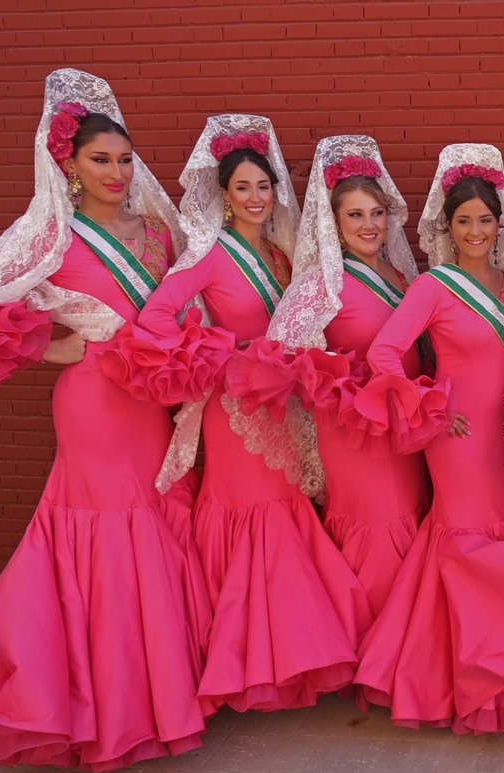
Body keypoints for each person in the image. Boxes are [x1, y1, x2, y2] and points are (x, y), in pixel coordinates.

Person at [0, 68, 207, 771]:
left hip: (152, 406)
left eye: (125, 159)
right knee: (104, 535)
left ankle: (157, 691)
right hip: (93, 406)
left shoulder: (157, 231)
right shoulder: (48, 236)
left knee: (156, 524)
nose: (115, 171)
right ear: (67, 164)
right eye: (100, 159)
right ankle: (96, 703)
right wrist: (52, 345)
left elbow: (183, 308)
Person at [342, 143, 504, 740]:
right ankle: (496, 689)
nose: (474, 231)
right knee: (473, 554)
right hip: (457, 440)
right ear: (447, 227)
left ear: (499, 223)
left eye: (484, 220)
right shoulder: (435, 285)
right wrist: (427, 407)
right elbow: (384, 353)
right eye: (462, 221)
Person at [116, 119, 371, 713]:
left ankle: (284, 653)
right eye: (243, 189)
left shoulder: (281, 256)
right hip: (233, 408)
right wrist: (223, 353)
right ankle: (237, 659)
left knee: (286, 511)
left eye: (264, 187)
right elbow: (156, 319)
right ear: (223, 197)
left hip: (281, 404)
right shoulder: (208, 253)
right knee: (251, 516)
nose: (256, 198)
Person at [227, 134, 433, 622]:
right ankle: (368, 641)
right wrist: (333, 385)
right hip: (354, 435)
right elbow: (278, 354)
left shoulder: (401, 275)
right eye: (355, 215)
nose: (369, 225)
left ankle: (402, 642)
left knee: (408, 515)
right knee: (376, 523)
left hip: (405, 428)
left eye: (376, 213)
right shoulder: (322, 282)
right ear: (335, 224)